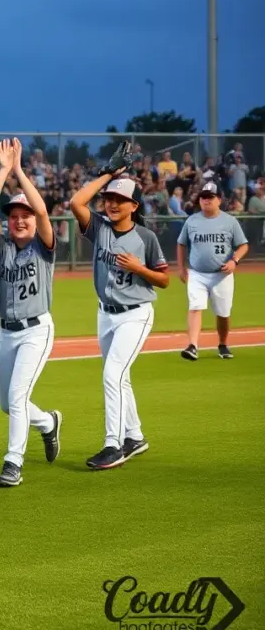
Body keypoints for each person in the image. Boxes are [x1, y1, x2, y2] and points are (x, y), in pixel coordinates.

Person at [69, 143, 170, 470]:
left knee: (112, 374)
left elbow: (164, 280)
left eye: (119, 199)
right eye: (109, 199)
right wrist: (109, 174)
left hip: (135, 315)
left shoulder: (145, 238)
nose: (111, 204)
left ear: (134, 206)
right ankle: (135, 436)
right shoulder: (99, 227)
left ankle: (113, 445)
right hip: (105, 314)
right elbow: (76, 202)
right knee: (119, 377)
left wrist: (140, 268)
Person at [0, 139, 62, 486]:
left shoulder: (44, 247)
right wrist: (3, 172)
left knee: (16, 398)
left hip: (36, 330)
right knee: (6, 403)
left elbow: (43, 213)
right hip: (6, 332)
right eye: (13, 216)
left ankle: (13, 463)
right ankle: (48, 422)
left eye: (24, 216)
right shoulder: (0, 247)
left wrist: (18, 169)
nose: (19, 221)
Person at [176, 181, 249, 361]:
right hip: (197, 273)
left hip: (222, 275)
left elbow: (243, 245)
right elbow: (181, 244)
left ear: (219, 200)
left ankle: (223, 344)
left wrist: (234, 261)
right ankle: (192, 346)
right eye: (203, 197)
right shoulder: (192, 221)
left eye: (210, 197)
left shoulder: (230, 221)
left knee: (223, 314)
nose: (206, 200)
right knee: (195, 307)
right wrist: (181, 267)